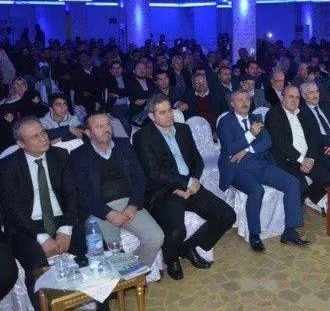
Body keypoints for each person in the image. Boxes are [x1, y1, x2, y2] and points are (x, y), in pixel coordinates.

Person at [132, 94, 236, 280]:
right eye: (162, 113)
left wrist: (192, 182)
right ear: (152, 116)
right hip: (163, 191)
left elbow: (197, 161)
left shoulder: (183, 129)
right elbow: (154, 172)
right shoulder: (142, 136)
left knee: (227, 215)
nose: (168, 115)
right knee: (177, 231)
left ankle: (188, 248)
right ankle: (171, 259)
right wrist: (184, 183)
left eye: (170, 110)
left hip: (190, 186)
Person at [0, 117, 84, 309]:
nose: (43, 138)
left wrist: (66, 229)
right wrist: (42, 237)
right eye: (35, 136)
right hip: (26, 227)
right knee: (37, 265)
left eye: (43, 132)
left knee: (92, 248)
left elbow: (72, 194)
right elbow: (12, 209)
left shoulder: (60, 155)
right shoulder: (8, 165)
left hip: (61, 219)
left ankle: (98, 304)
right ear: (21, 144)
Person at [217, 89, 308, 252]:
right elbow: (229, 148)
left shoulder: (256, 118)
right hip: (237, 168)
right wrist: (251, 134)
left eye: (247, 99)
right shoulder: (225, 122)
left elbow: (267, 141)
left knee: (293, 183)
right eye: (240, 100)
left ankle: (290, 231)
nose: (245, 103)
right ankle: (254, 235)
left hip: (260, 163)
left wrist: (247, 150)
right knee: (256, 190)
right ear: (232, 104)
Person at [71, 113, 164, 267]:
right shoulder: (79, 155)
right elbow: (82, 194)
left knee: (156, 237)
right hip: (100, 210)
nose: (106, 129)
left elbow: (139, 178)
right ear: (88, 132)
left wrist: (133, 205)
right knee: (114, 251)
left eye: (108, 124)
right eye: (99, 126)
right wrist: (108, 213)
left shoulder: (123, 145)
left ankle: (135, 271)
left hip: (128, 203)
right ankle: (126, 272)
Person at [265, 85, 330, 205]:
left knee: (328, 178)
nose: (294, 100)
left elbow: (314, 137)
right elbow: (280, 144)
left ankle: (311, 198)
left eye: (297, 97)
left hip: (307, 157)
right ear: (282, 97)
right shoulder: (273, 114)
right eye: (290, 97)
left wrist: (310, 158)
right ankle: (302, 204)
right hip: (288, 159)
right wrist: (302, 160)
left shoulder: (303, 112)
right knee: (300, 185)